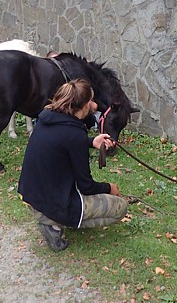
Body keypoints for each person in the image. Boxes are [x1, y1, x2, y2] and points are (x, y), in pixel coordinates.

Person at [17, 79, 128, 251]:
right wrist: (109, 188)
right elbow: (86, 186)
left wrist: (91, 142)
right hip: (52, 203)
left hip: (32, 196)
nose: (93, 105)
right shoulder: (74, 133)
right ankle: (54, 223)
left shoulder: (47, 118)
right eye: (90, 101)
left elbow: (61, 143)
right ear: (82, 106)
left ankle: (52, 218)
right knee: (120, 207)